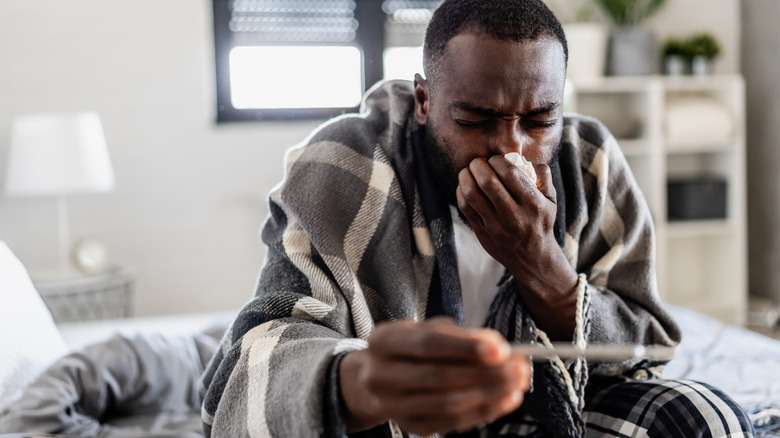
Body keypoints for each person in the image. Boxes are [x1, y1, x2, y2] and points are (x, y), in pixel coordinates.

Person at [200, 1, 754, 436]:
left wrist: (543, 266)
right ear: (423, 100)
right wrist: (365, 383)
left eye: (539, 118)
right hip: (396, 427)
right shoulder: (344, 164)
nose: (510, 148)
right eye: (474, 118)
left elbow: (647, 345)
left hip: (544, 412)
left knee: (707, 418)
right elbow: (262, 355)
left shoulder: (589, 160)